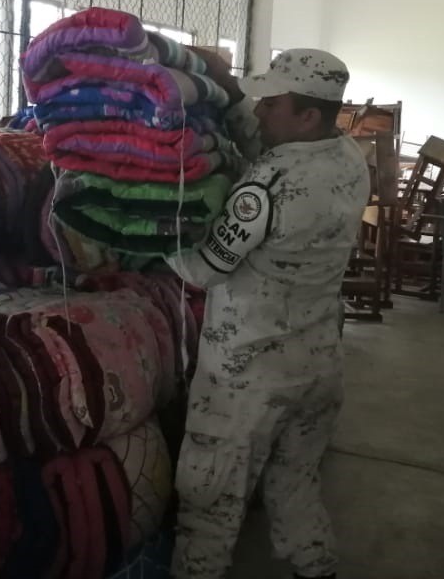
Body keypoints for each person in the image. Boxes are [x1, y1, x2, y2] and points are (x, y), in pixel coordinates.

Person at [165, 48, 371, 579]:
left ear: (307, 115)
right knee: (294, 481)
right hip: (318, 364)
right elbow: (263, 135)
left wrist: (155, 231)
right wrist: (232, 89)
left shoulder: (266, 184)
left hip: (248, 373)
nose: (258, 112)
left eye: (271, 104)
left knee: (211, 494)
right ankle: (316, 567)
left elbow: (203, 270)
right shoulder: (348, 156)